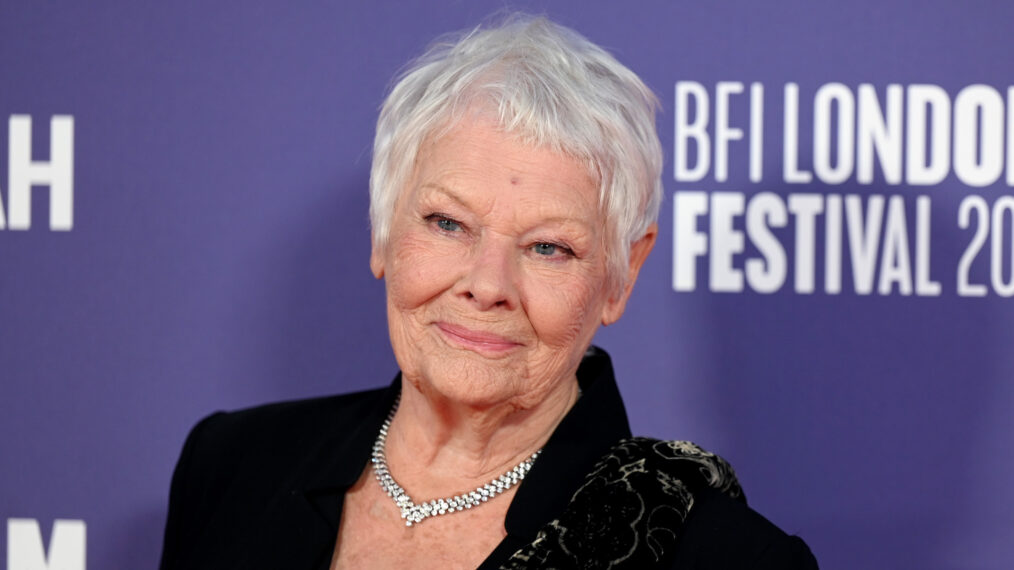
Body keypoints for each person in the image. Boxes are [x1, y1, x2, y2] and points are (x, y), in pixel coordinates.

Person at [159, 14, 818, 570]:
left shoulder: (716, 555)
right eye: (448, 223)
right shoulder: (231, 468)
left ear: (622, 276)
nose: (486, 285)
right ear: (384, 231)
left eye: (548, 247)